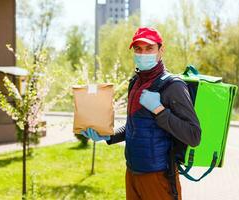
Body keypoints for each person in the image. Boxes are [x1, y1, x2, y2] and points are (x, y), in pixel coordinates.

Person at [81, 27, 201, 200]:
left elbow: (193, 135)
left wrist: (159, 110)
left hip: (159, 176)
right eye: (138, 49)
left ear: (161, 50)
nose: (143, 53)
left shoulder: (173, 86)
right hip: (132, 172)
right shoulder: (135, 83)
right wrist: (108, 136)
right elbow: (133, 126)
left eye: (149, 48)